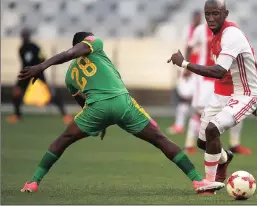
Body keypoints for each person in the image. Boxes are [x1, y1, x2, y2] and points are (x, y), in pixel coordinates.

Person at [18, 32, 225, 194]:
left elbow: (81, 100)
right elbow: (71, 53)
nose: (93, 38)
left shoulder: (70, 76)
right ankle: (198, 180)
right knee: (159, 138)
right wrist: (42, 65)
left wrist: (99, 123)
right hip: (122, 103)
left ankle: (33, 182)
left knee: (62, 140)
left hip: (96, 110)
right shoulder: (95, 44)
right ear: (85, 42)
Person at [167, 0, 257, 195]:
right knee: (204, 142)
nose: (210, 18)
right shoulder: (216, 36)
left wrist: (184, 64)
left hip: (244, 94)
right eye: (207, 14)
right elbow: (247, 61)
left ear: (225, 14)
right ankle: (225, 158)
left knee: (213, 130)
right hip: (223, 92)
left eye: (215, 13)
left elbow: (219, 71)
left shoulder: (231, 34)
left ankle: (209, 183)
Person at [184, 22, 252, 155]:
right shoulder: (200, 30)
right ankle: (189, 144)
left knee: (237, 108)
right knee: (199, 111)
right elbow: (190, 45)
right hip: (204, 78)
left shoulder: (229, 32)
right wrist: (186, 66)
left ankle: (234, 144)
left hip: (224, 77)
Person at [7, 28, 72, 124]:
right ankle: (17, 116)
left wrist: (39, 67)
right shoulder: (21, 48)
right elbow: (24, 63)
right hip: (26, 73)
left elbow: (43, 58)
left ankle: (65, 115)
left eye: (26, 35)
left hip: (38, 73)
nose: (24, 37)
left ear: (28, 36)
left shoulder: (35, 47)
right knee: (16, 92)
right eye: (23, 35)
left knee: (50, 94)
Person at [168, 10, 201, 135]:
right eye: (196, 17)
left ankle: (197, 129)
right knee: (185, 98)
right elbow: (187, 48)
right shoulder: (189, 30)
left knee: (196, 101)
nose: (197, 19)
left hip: (201, 69)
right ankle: (180, 125)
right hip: (190, 67)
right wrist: (186, 67)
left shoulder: (205, 30)